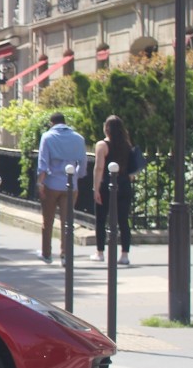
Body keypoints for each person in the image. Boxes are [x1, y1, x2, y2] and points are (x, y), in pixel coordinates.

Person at [36, 111, 87, 264]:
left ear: (52, 123)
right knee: (67, 221)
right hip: (71, 185)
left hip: (52, 183)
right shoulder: (78, 138)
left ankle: (47, 253)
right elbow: (83, 163)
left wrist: (40, 183)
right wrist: (77, 176)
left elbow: (43, 163)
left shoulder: (47, 137)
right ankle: (65, 254)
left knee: (48, 220)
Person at [92, 114, 137, 265]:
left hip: (106, 184)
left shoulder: (102, 145)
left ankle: (100, 252)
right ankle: (124, 254)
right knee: (123, 220)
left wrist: (96, 188)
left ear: (106, 128)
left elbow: (99, 168)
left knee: (101, 219)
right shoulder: (127, 145)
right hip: (124, 184)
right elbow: (133, 169)